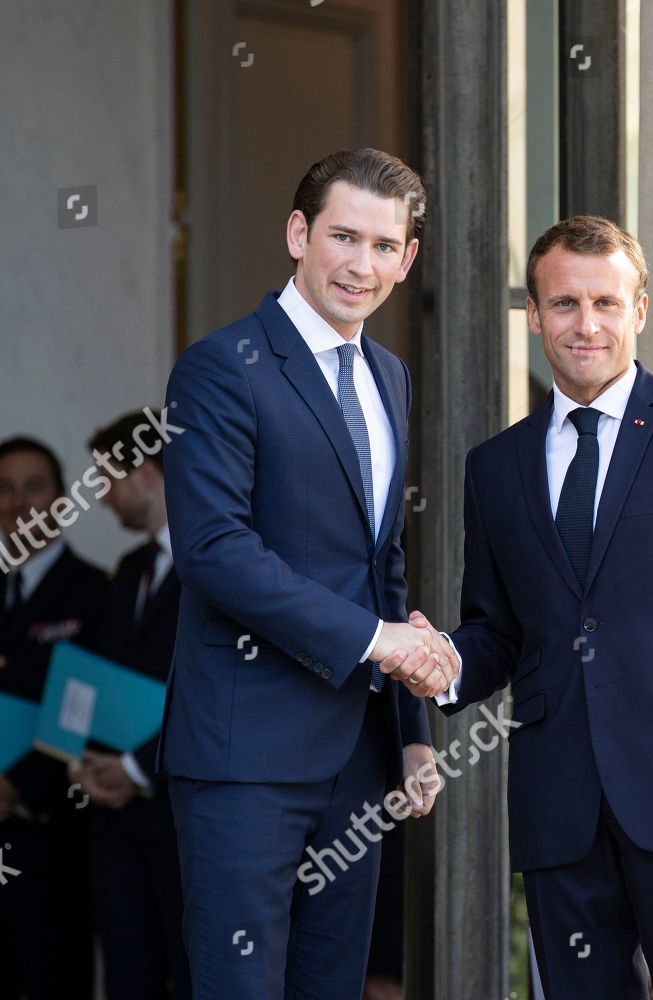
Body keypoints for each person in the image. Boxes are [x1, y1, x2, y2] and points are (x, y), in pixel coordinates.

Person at [422, 215, 653, 999]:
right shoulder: (495, 467)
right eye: (564, 305)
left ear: (640, 310)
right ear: (534, 315)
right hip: (560, 808)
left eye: (606, 302)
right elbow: (500, 628)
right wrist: (444, 661)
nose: (585, 324)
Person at [161, 147, 453, 998]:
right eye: (343, 237)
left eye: (383, 245)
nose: (361, 265)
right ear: (298, 233)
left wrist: (409, 733)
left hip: (355, 759)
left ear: (408, 259)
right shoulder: (222, 367)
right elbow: (214, 549)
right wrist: (378, 641)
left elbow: (381, 564)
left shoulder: (388, 376)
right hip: (244, 755)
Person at [76, 409, 192, 998]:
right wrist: (85, 758)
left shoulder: (215, 568)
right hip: (117, 830)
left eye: (108, 480)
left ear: (146, 472)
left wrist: (135, 767)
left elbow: (213, 692)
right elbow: (108, 685)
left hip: (188, 825)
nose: (103, 499)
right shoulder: (127, 572)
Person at [0, 435, 106, 999]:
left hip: (58, 840)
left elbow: (91, 714)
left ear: (62, 500)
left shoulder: (96, 592)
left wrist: (17, 788)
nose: (19, 503)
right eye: (5, 489)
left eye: (33, 487)